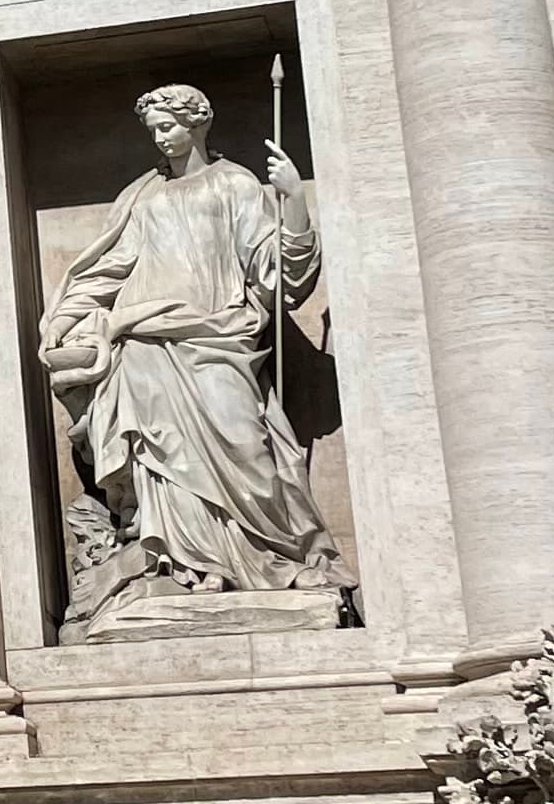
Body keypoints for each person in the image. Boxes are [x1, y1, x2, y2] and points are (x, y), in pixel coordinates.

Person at [39, 84, 343, 602]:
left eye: (168, 127)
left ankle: (267, 556)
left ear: (198, 123)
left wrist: (293, 199)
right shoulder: (143, 195)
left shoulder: (235, 183)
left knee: (244, 443)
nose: (161, 138)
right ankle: (186, 564)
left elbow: (280, 275)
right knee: (161, 456)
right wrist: (65, 319)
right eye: (154, 131)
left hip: (218, 336)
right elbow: (111, 267)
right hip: (144, 342)